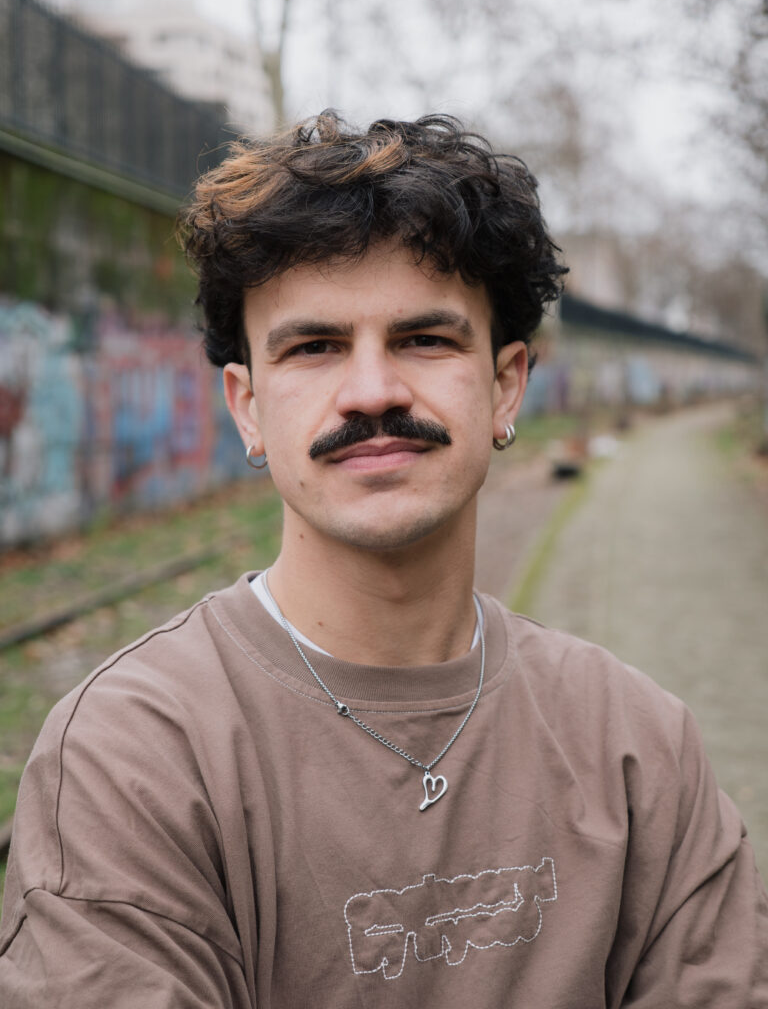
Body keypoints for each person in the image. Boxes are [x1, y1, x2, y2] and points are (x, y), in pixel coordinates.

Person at [0, 112, 766, 1008]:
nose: (371, 392)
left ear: (505, 385)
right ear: (247, 407)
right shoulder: (135, 759)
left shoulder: (640, 746)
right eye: (314, 347)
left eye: (425, 340)